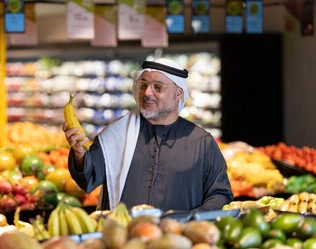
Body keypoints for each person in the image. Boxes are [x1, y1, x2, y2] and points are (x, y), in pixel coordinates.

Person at [63, 57, 233, 212]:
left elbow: (220, 195)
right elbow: (88, 177)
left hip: (178, 240)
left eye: (157, 87)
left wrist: (189, 221)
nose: (147, 93)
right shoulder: (116, 134)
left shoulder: (201, 142)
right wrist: (79, 153)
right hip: (123, 239)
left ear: (178, 93)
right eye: (143, 85)